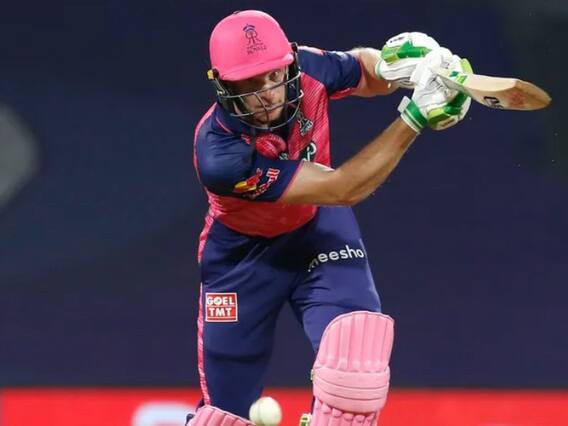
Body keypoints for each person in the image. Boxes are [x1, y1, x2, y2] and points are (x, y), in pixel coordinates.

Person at [189, 10, 471, 426]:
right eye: (249, 84)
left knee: (355, 372)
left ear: (289, 61)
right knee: (223, 416)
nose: (267, 93)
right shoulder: (221, 154)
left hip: (318, 232)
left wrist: (397, 67)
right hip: (242, 259)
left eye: (273, 76)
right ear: (223, 85)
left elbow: (363, 70)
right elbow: (342, 188)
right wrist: (414, 117)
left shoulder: (308, 68)